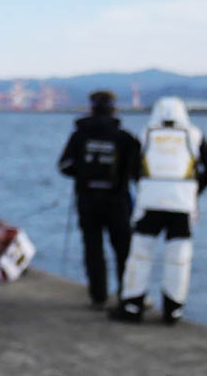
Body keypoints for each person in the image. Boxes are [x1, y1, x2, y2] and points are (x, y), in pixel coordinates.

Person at [109, 96, 207, 325]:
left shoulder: (145, 134)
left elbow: (130, 167)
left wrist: (145, 185)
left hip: (149, 205)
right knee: (178, 259)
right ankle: (173, 310)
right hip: (182, 206)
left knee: (140, 255)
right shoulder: (194, 135)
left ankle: (132, 306)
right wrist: (193, 188)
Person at [58, 90, 141, 309]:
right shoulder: (125, 138)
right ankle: (127, 296)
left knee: (93, 248)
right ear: (114, 109)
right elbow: (137, 171)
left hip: (87, 199)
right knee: (123, 249)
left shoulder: (79, 136)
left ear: (92, 108)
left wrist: (83, 174)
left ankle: (98, 296)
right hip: (117, 201)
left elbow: (64, 166)